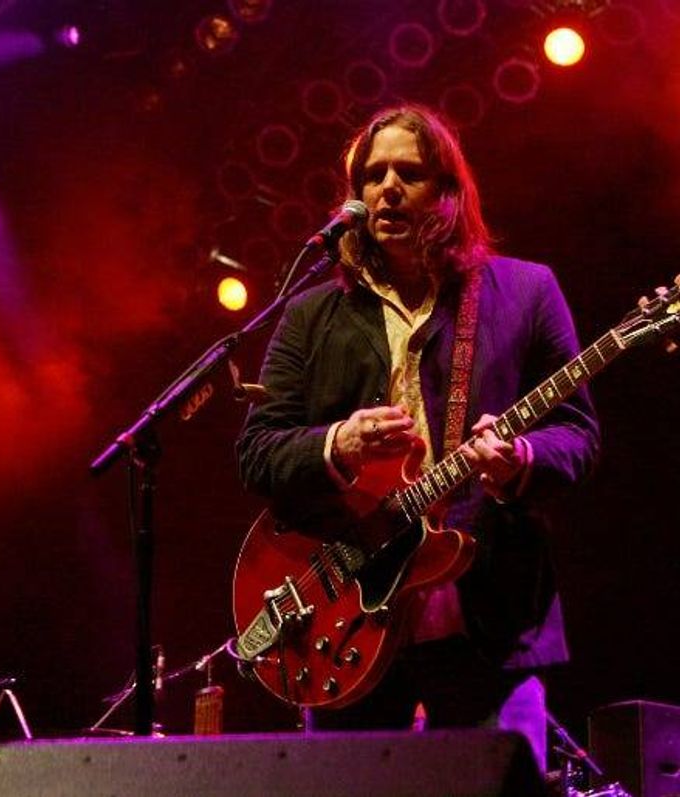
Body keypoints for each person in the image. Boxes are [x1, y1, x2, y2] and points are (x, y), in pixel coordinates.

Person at [236, 105, 599, 769]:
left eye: (410, 172)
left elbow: (577, 432)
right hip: (350, 622)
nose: (387, 187)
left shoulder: (525, 290)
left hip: (488, 622)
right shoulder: (311, 315)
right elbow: (257, 450)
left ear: (450, 194)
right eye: (373, 175)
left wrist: (520, 459)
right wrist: (338, 442)